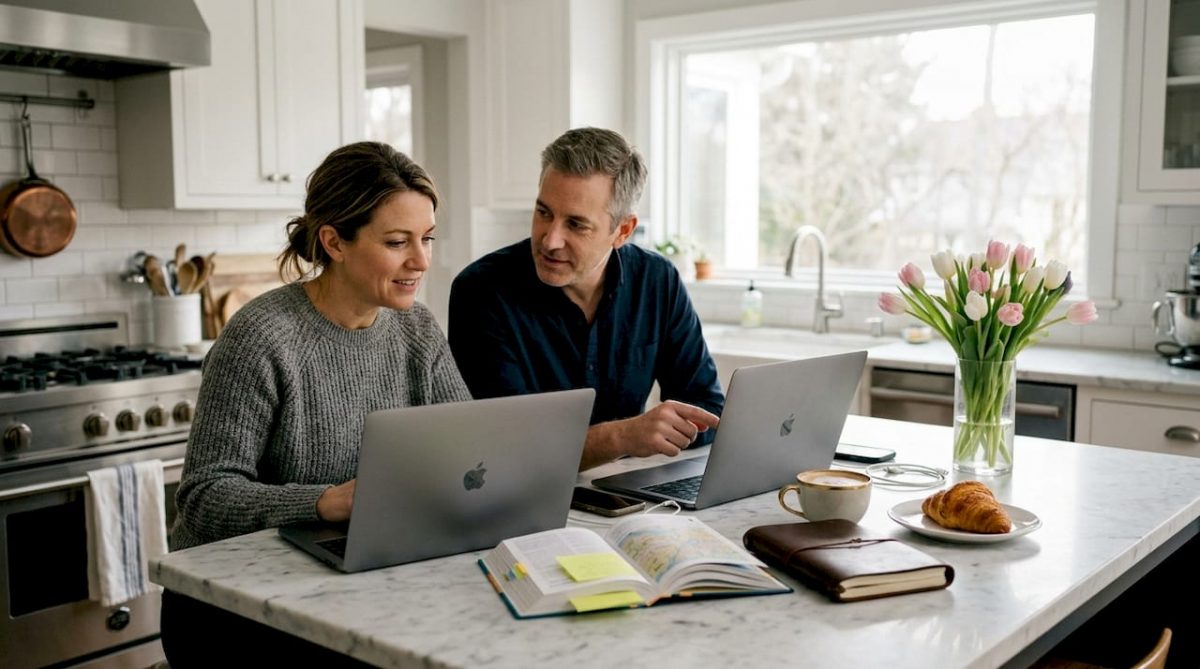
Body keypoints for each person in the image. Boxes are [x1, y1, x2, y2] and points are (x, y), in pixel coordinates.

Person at [161, 142, 471, 667]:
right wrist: (323, 502)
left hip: (350, 581)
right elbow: (203, 498)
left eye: (426, 238)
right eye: (397, 242)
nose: (420, 260)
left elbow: (468, 447)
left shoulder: (416, 328)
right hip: (228, 607)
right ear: (334, 241)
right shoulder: (262, 337)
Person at [449, 127, 723, 471]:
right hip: (522, 503)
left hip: (627, 490)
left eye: (576, 225)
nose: (550, 240)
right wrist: (622, 438)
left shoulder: (658, 280)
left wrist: (661, 432)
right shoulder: (481, 292)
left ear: (622, 231)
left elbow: (709, 409)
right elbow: (508, 448)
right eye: (543, 212)